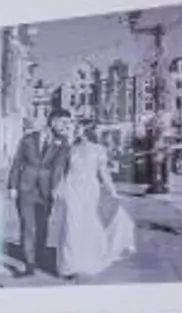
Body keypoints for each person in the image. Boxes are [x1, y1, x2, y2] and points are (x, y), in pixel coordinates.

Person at [51, 114, 138, 278]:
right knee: (71, 225)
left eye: (79, 128)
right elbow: (63, 171)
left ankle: (85, 258)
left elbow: (104, 174)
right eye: (76, 128)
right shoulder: (71, 149)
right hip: (71, 189)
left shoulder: (99, 150)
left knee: (87, 224)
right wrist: (57, 189)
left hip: (90, 191)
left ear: (88, 131)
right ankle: (69, 266)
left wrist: (113, 192)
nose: (76, 131)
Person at [8, 111, 65, 278]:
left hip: (46, 190)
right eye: (63, 122)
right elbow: (17, 162)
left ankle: (38, 254)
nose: (65, 126)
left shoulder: (62, 142)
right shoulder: (28, 139)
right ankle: (29, 265)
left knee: (42, 226)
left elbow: (60, 167)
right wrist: (12, 186)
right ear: (53, 121)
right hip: (25, 186)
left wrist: (56, 188)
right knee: (27, 226)